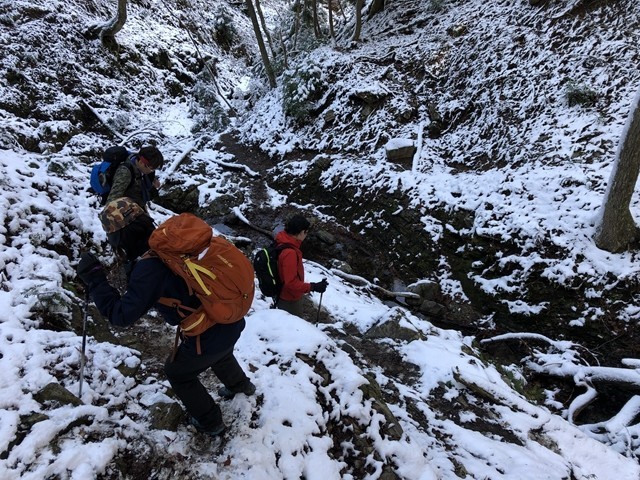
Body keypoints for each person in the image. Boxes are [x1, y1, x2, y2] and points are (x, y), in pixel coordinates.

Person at [75, 250, 255, 437]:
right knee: (219, 350)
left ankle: (210, 422)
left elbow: (120, 314)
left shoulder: (149, 267)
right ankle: (240, 385)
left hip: (210, 331)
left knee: (177, 372)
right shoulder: (174, 247)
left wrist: (95, 280)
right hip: (229, 317)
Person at [104, 146, 164, 263]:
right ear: (141, 161)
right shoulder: (125, 172)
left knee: (152, 241)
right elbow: (111, 201)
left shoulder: (141, 170)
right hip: (127, 221)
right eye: (150, 168)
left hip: (138, 213)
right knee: (138, 250)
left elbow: (142, 186)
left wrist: (152, 182)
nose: (151, 171)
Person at [275, 214, 328, 317]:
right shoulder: (290, 253)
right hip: (289, 299)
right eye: (306, 232)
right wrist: (313, 287)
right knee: (294, 328)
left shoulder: (282, 240)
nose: (306, 235)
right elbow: (290, 283)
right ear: (301, 232)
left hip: (284, 294)